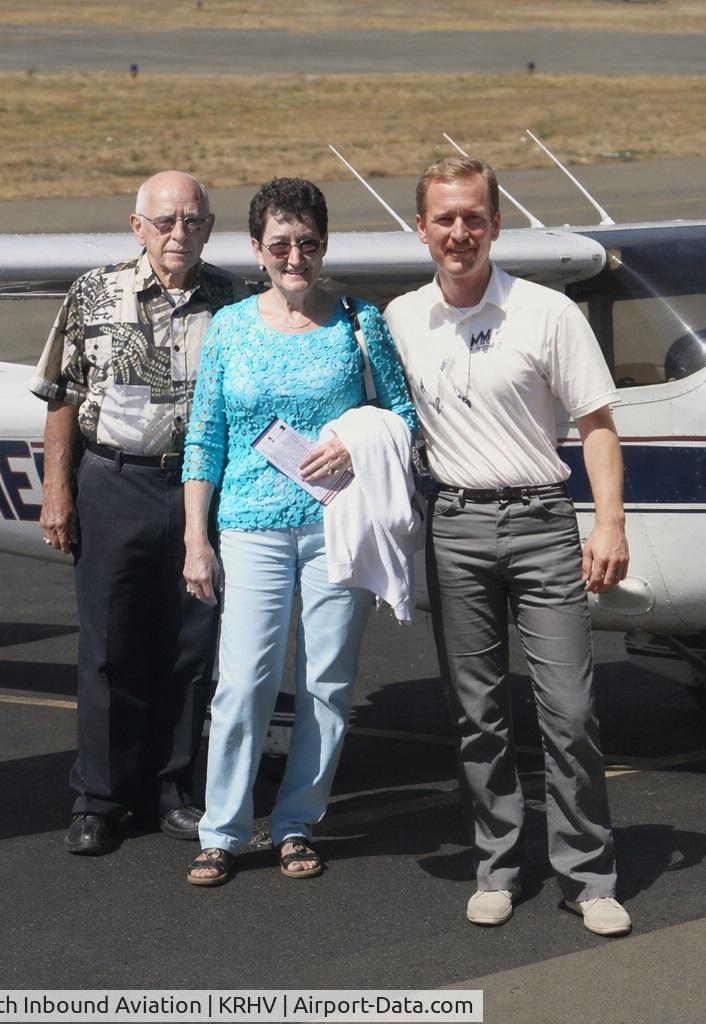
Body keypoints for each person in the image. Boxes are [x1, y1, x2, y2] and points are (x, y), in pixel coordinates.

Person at [383, 157, 633, 936]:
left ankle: (588, 877)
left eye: (473, 217)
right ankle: (496, 863)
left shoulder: (549, 312)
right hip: (454, 527)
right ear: (421, 228)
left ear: (496, 223)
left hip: (541, 523)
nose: (459, 233)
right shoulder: (399, 319)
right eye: (444, 219)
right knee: (478, 713)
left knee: (569, 710)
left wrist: (610, 523)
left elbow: (596, 426)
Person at [180, 177, 416, 886]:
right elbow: (205, 436)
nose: (295, 256)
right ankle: (220, 829)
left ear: (324, 245)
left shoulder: (357, 320)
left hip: (336, 526)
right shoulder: (229, 328)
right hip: (250, 527)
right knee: (244, 682)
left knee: (326, 683)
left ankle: (295, 823)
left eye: (308, 242)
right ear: (256, 249)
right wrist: (196, 536)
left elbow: (405, 416)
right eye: (280, 243)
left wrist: (354, 439)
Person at [30, 170, 250, 857]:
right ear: (137, 227)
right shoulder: (93, 293)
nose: (178, 234)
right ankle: (100, 797)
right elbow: (60, 395)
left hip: (199, 493)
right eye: (164, 221)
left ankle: (173, 791)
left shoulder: (235, 300)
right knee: (108, 648)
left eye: (191, 221)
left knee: (190, 646)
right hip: (114, 483)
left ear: (210, 227)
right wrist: (57, 491)